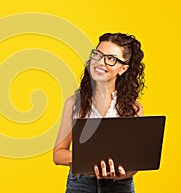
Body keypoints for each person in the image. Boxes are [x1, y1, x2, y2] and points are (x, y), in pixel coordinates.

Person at [53, 33, 145, 193]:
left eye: (111, 58)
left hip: (120, 186)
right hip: (81, 184)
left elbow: (135, 162)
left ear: (123, 68)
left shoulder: (133, 108)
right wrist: (90, 160)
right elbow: (58, 154)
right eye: (98, 55)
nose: (100, 62)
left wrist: (121, 173)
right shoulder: (75, 103)